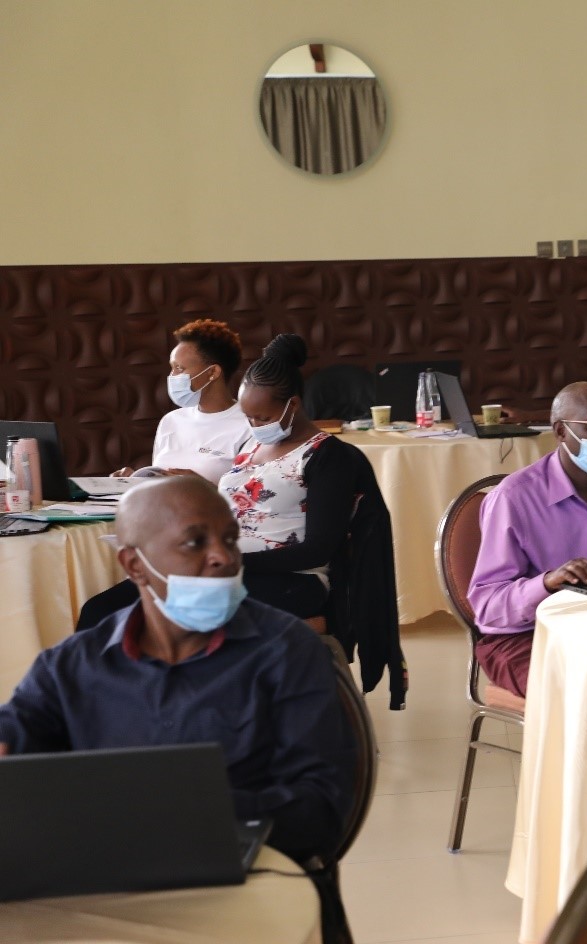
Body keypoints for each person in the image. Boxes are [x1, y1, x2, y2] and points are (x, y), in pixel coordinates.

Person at [0, 476, 357, 864]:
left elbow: (322, 809)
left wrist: (175, 811)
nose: (224, 557)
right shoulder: (71, 666)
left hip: (247, 878)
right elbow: (14, 747)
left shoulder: (287, 652)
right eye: (195, 542)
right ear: (135, 565)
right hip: (102, 881)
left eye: (231, 539)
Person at [79, 334, 371, 626]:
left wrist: (227, 559)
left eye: (262, 417)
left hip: (289, 579)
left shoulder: (327, 456)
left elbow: (318, 550)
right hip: (222, 568)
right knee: (99, 611)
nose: (254, 425)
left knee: (164, 620)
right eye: (248, 417)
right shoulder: (253, 448)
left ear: (292, 405)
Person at [467, 382, 587, 696]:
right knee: (584, 691)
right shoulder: (514, 499)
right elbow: (487, 608)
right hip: (528, 635)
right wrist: (548, 582)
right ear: (560, 432)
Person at [114, 318, 250, 482]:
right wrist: (132, 481)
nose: (172, 377)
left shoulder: (248, 425)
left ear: (213, 372)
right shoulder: (171, 421)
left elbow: (251, 498)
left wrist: (202, 487)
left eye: (180, 368)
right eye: (172, 368)